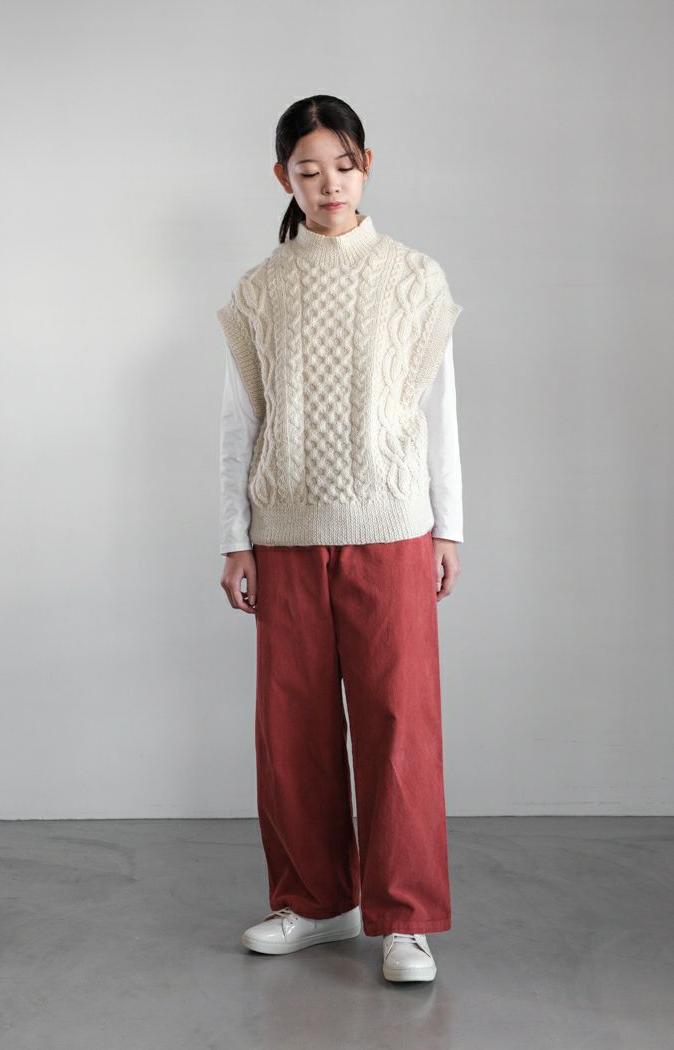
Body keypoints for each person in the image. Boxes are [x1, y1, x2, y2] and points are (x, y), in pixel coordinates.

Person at [217, 95, 464, 984]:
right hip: (285, 532)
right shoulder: (261, 290)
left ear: (367, 165)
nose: (329, 184)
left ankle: (406, 919)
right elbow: (240, 423)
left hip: (392, 528)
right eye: (309, 169)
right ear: (282, 176)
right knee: (293, 727)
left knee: (400, 723)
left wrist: (449, 527)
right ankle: (318, 902)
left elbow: (438, 413)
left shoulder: (413, 278)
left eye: (344, 166)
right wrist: (234, 538)